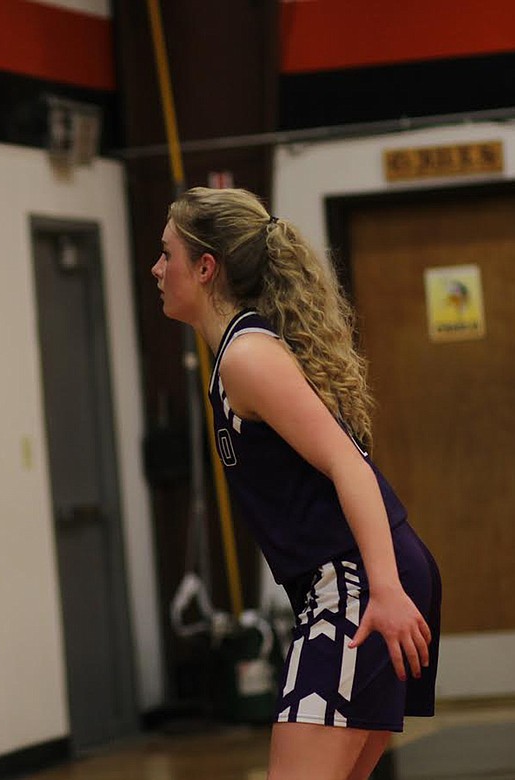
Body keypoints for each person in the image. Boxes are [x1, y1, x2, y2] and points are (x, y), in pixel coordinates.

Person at [151, 187, 441, 780]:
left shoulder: (246, 358)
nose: (156, 269)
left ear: (206, 268)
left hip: (357, 584)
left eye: (167, 254)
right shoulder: (241, 352)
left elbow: (349, 465)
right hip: (361, 577)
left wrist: (383, 590)